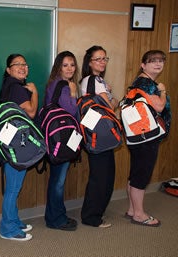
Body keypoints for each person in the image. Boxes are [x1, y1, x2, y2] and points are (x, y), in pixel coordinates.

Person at [124, 50, 170, 227]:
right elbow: (158, 106)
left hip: (139, 135)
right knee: (141, 175)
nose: (158, 64)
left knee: (136, 172)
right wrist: (163, 90)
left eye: (161, 61)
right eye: (153, 61)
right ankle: (139, 214)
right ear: (143, 65)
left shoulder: (141, 82)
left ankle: (131, 209)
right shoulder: (147, 83)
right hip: (147, 136)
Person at [0, 53, 38, 241]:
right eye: (17, 64)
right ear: (9, 69)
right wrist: (35, 93)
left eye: (25, 64)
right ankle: (8, 229)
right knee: (13, 188)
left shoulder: (10, 86)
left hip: (10, 143)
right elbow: (30, 112)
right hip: (16, 144)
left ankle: (13, 220)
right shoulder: (18, 88)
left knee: (13, 187)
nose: (23, 67)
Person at [79, 45, 118, 228]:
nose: (102, 62)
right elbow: (110, 106)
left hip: (98, 134)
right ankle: (91, 217)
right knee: (100, 177)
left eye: (104, 58)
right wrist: (112, 96)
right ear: (89, 62)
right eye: (98, 59)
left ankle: (95, 213)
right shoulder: (94, 80)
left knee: (105, 175)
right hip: (98, 135)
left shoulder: (94, 81)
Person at [44, 51, 79, 231]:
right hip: (61, 139)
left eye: (72, 64)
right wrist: (73, 94)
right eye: (65, 65)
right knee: (58, 181)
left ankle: (57, 215)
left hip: (56, 139)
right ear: (58, 67)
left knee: (57, 179)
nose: (69, 68)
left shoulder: (54, 84)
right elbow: (71, 112)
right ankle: (56, 219)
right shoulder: (64, 85)